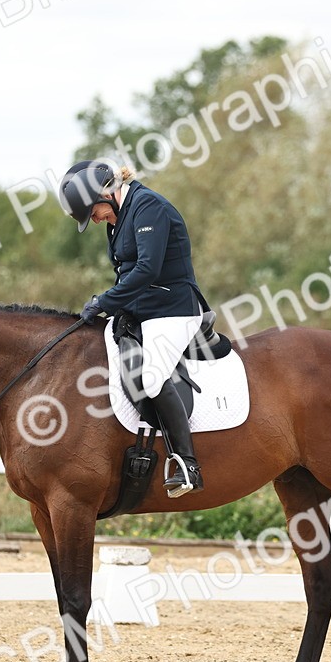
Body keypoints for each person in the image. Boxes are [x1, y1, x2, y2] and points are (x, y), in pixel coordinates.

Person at [59, 160, 209, 497]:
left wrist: (105, 302)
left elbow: (146, 271)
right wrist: (117, 307)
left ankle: (187, 464)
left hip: (174, 310)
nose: (95, 220)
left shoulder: (148, 207)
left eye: (93, 212)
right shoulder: (117, 219)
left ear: (106, 193)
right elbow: (125, 273)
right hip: (144, 311)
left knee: (152, 378)